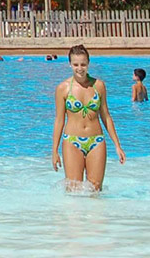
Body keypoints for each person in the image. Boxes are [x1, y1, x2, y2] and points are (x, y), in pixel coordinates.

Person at [52, 44, 126, 191]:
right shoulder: (63, 88)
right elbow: (59, 120)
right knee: (73, 189)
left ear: (88, 63)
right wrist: (54, 151)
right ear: (70, 64)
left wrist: (117, 145)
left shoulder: (99, 86)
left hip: (96, 141)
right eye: (76, 65)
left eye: (83, 64)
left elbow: (106, 116)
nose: (80, 68)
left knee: (96, 190)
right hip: (72, 141)